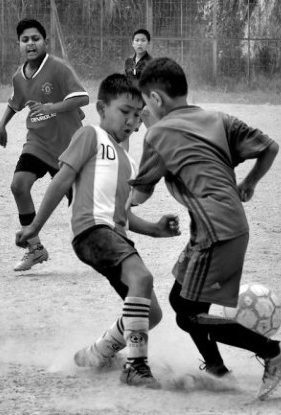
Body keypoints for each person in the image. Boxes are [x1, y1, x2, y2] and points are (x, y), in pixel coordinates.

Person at [130, 57, 281, 400]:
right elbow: (270, 147)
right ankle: (218, 370)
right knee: (181, 300)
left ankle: (275, 352)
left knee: (188, 316)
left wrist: (112, 202)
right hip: (224, 226)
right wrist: (249, 182)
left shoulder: (159, 133)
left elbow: (141, 193)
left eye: (145, 103)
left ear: (157, 99)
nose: (143, 111)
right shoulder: (218, 119)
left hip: (216, 231)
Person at [15, 74, 181, 389]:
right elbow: (61, 180)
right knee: (142, 279)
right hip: (91, 231)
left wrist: (156, 230)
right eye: (125, 111)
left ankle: (98, 352)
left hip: (114, 235)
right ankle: (135, 366)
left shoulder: (128, 163)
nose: (132, 120)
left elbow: (123, 215)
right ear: (102, 108)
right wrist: (35, 226)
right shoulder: (90, 135)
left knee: (152, 314)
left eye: (138, 114)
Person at [0, 18, 89, 272]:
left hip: (68, 146)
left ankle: (107, 244)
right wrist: (2, 125)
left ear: (45, 42)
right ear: (18, 45)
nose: (30, 44)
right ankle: (34, 249)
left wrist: (52, 107)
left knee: (82, 209)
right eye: (25, 40)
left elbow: (83, 97)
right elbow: (15, 102)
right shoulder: (19, 76)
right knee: (18, 185)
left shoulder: (58, 68)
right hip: (37, 142)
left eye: (35, 39)